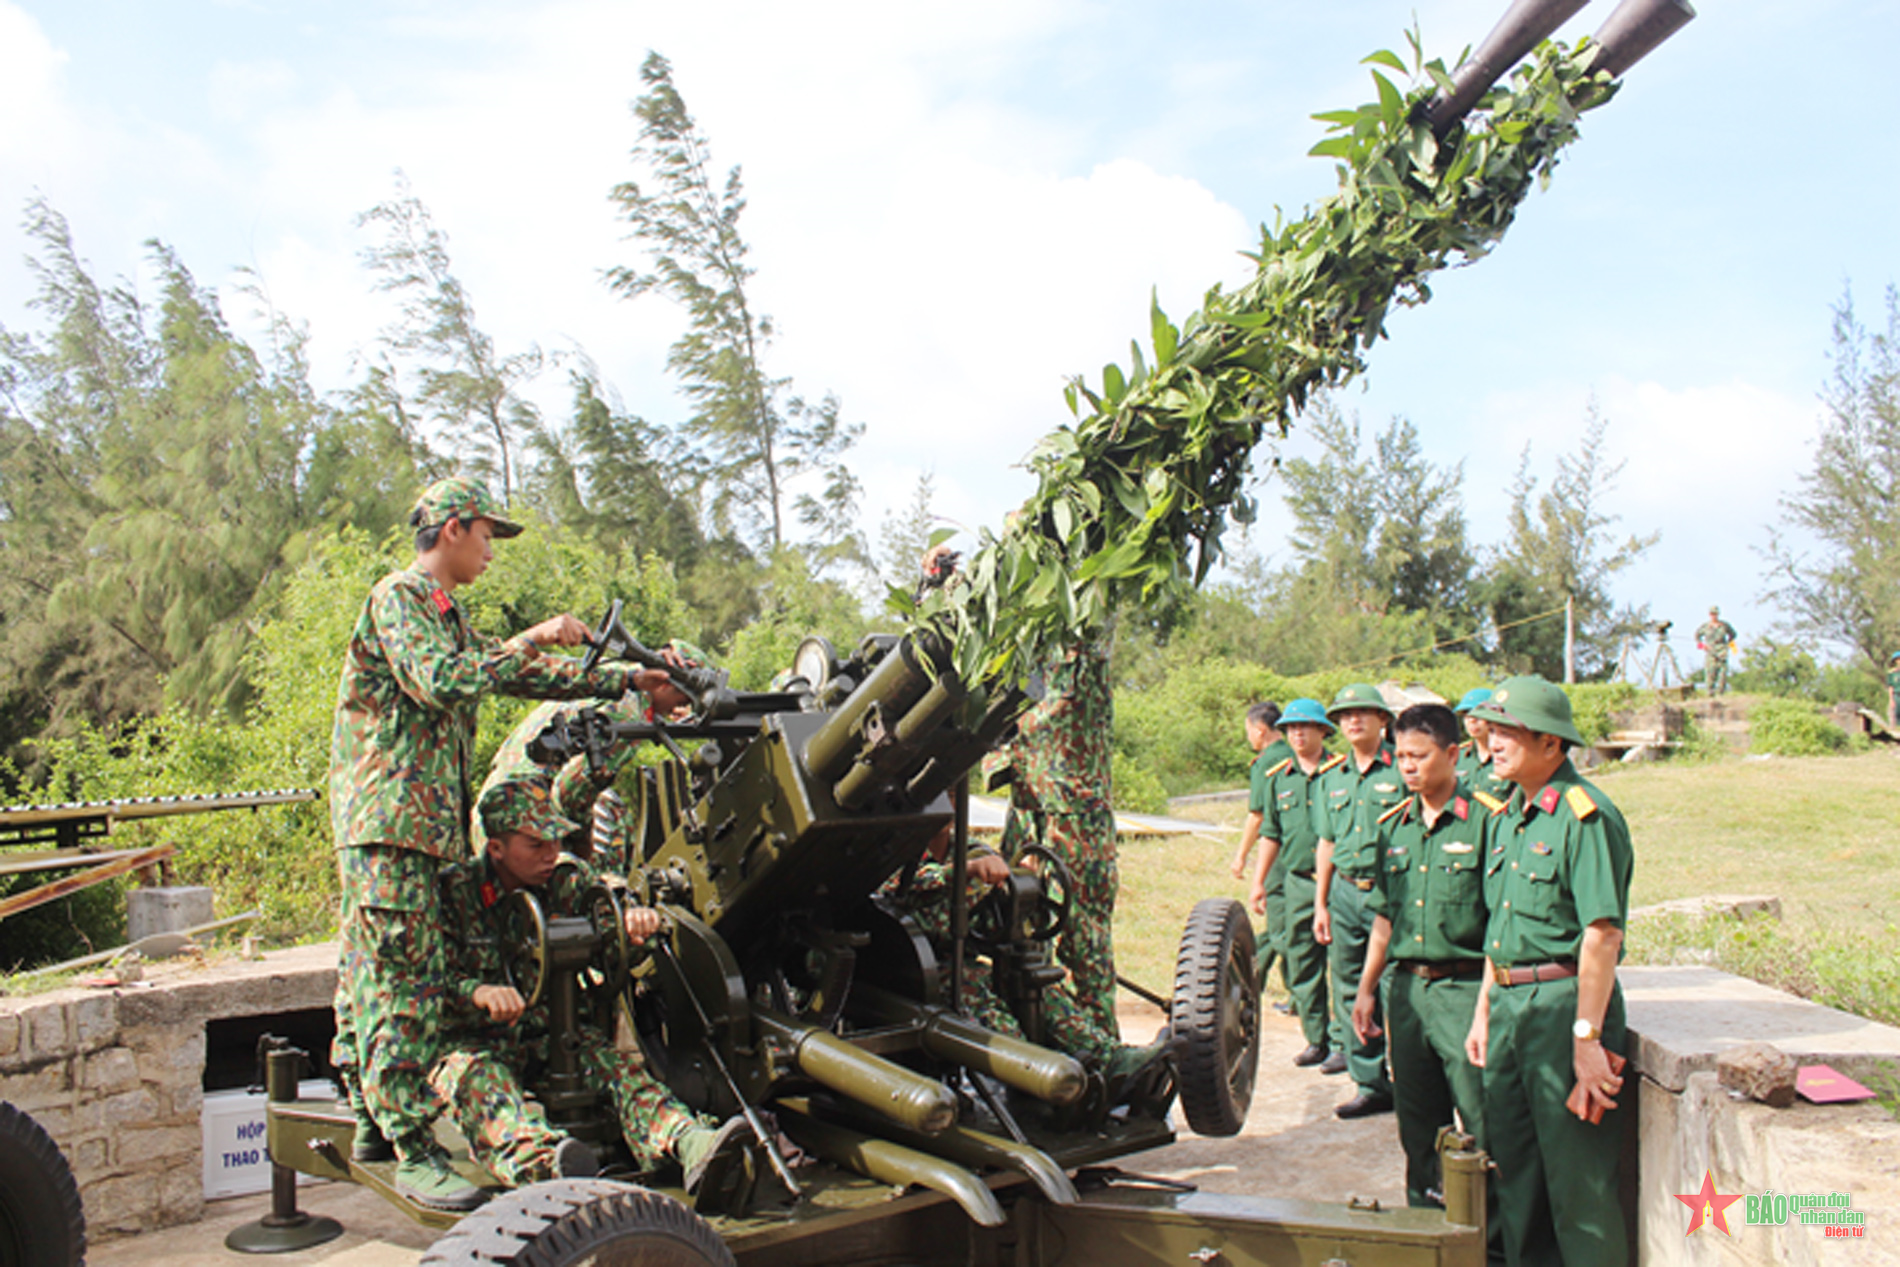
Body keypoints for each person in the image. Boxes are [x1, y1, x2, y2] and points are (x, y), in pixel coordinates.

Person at [328, 475, 674, 1211]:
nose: (491, 549)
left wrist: (618, 679)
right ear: (452, 527)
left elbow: (504, 669)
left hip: (415, 829)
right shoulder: (402, 597)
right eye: (487, 533)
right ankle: (410, 1144)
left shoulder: (444, 615)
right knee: (402, 984)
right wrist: (551, 659)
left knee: (376, 968)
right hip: (390, 826)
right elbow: (448, 680)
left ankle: (370, 1116)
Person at [431, 777, 747, 1195]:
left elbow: (610, 933)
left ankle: (689, 1143)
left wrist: (634, 929)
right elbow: (426, 982)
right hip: (476, 1041)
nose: (550, 854)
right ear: (496, 849)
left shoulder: (567, 881)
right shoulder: (454, 893)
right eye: (536, 844)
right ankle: (549, 1168)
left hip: (555, 1035)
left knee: (619, 1071)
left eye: (555, 841)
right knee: (481, 1086)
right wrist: (478, 993)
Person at [1463, 676, 1634, 1267]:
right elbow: (1501, 929)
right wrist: (1485, 1009)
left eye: (1510, 732)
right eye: (1494, 729)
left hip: (1563, 1010)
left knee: (1577, 1183)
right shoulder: (1510, 815)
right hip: (1511, 1007)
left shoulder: (1584, 817)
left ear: (1551, 745)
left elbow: (1602, 934)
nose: (1495, 741)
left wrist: (1587, 1040)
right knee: (1516, 1176)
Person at [1350, 704, 1495, 1220]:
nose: (1407, 767)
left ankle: (1486, 1240)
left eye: (1419, 756)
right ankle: (1425, 1229)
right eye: (1401, 757)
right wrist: (1367, 990)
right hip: (1408, 993)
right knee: (1417, 1126)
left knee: (1481, 1124)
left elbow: (1499, 925)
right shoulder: (1393, 826)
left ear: (1452, 754)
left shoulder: (1487, 820)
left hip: (1465, 991)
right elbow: (1384, 919)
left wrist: (1484, 1005)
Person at [1313, 682, 1404, 1116]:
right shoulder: (1331, 777)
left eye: (1362, 712)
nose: (1352, 721)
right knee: (1348, 984)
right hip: (1346, 891)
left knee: (1394, 986)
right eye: (1344, 715)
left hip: (1392, 893)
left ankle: (1408, 1078)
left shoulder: (1402, 770)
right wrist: (1321, 902)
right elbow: (1326, 843)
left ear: (1383, 720)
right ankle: (1370, 1082)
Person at [1246, 699, 1336, 1069]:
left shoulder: (1341, 772)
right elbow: (1271, 833)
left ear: (1323, 731)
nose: (1297, 734)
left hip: (1340, 883)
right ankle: (1317, 1039)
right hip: (1298, 881)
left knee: (1346, 966)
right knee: (1301, 962)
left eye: (1305, 727)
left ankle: (1350, 1045)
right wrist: (1258, 881)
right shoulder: (1279, 777)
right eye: (1291, 728)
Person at [1229, 701, 1292, 1000]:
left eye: (1248, 732)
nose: (1248, 739)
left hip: (1279, 856)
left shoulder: (1266, 763)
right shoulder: (1298, 754)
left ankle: (1247, 982)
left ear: (1260, 729)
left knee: (1282, 929)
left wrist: (1241, 856)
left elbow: (1258, 816)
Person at [1453, 688, 1506, 798]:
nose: (1471, 720)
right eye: (1466, 714)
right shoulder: (1456, 757)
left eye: (1478, 714)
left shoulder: (1510, 758)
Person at [1694, 606, 1737, 696]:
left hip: (1722, 652)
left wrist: (1729, 644)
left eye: (1715, 614)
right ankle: (1710, 693)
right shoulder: (1705, 626)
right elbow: (1697, 636)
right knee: (1710, 674)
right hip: (1710, 652)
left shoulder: (1724, 625)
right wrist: (1702, 646)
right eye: (1712, 614)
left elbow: (1733, 634)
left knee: (1722, 675)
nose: (1714, 616)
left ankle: (1721, 693)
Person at [1887, 652, 1900, 730]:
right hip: (1896, 696)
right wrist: (1891, 699)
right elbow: (1891, 687)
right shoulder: (1892, 673)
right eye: (1897, 659)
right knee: (1893, 716)